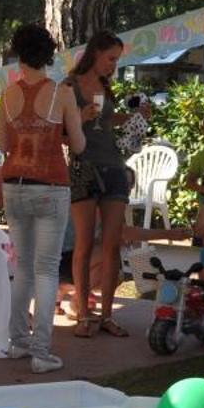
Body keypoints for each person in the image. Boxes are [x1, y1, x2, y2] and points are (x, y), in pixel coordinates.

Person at [0, 23, 86, 373]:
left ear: (19, 55)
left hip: (14, 185)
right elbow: (78, 144)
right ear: (49, 55)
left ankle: (17, 341)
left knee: (23, 267)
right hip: (50, 186)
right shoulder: (61, 93)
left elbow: (4, 145)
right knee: (47, 269)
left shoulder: (7, 95)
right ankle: (42, 351)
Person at [66, 31, 132, 339]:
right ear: (95, 53)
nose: (113, 66)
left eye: (117, 60)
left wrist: (132, 117)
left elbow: (106, 123)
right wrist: (79, 116)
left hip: (114, 165)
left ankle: (107, 315)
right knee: (83, 243)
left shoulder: (107, 87)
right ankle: (82, 314)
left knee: (112, 242)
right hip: (83, 166)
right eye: (111, 59)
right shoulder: (69, 87)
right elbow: (60, 133)